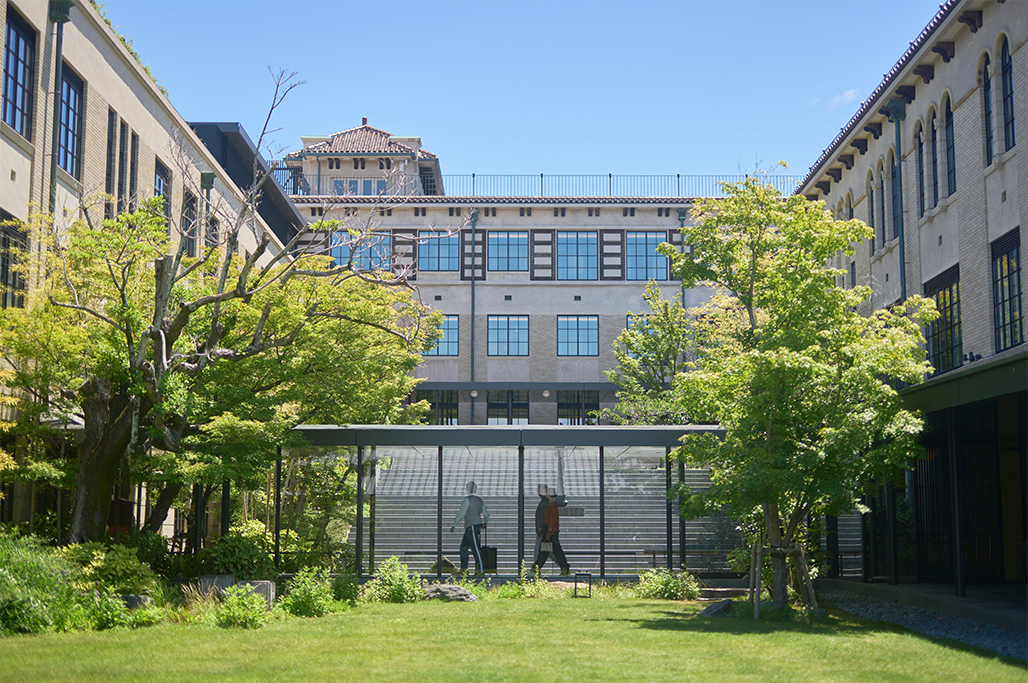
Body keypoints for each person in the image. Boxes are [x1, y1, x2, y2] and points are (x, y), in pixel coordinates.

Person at [450, 481, 490, 575]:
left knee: (475, 548)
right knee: (463, 548)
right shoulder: (480, 500)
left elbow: (461, 513)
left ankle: (480, 570)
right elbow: (486, 514)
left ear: (467, 489)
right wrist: (485, 523)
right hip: (474, 526)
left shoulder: (467, 500)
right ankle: (464, 570)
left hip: (471, 526)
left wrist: (454, 525)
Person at [532, 486, 570, 576]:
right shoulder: (550, 504)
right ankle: (564, 568)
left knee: (544, 551)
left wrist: (547, 533)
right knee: (550, 551)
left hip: (549, 532)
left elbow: (550, 521)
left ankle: (535, 569)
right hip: (550, 532)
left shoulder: (550, 505)